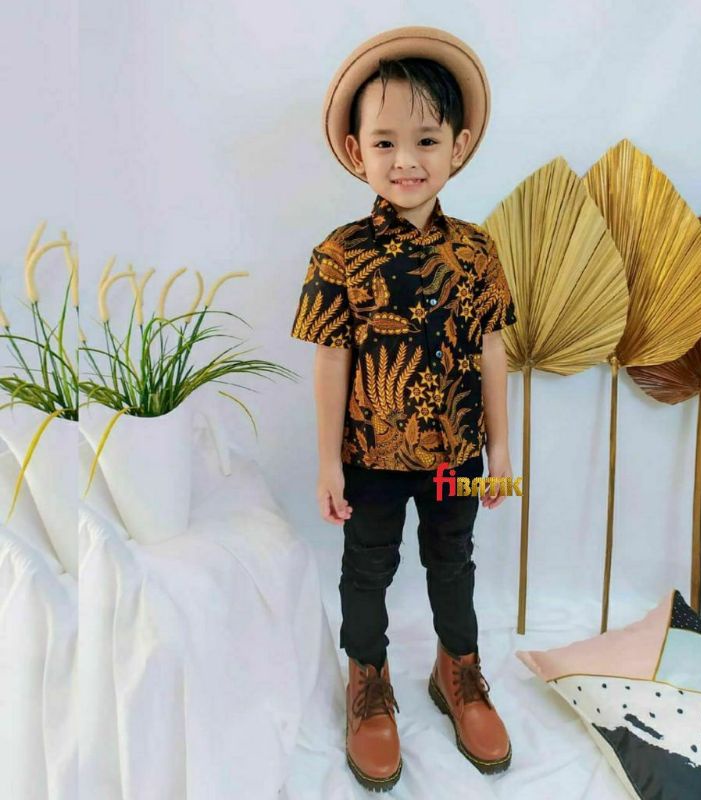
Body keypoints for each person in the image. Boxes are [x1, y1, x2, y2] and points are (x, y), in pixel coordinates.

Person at [290, 26, 517, 792]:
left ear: (458, 145)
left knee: (453, 562)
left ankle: (459, 670)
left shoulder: (477, 253)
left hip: (458, 454)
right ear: (357, 151)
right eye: (385, 142)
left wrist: (501, 450)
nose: (406, 160)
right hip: (371, 460)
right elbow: (331, 357)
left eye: (426, 140)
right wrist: (328, 462)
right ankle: (368, 677)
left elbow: (493, 348)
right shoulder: (339, 255)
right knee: (367, 569)